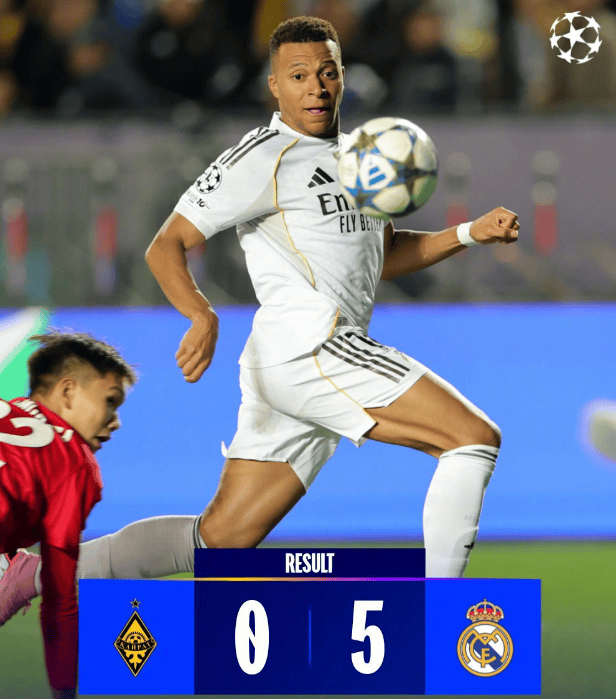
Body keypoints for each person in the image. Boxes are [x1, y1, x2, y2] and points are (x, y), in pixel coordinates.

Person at [2, 16, 520, 614]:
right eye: (298, 76)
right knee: (471, 439)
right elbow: (166, 244)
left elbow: (379, 257)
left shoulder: (358, 159)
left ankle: (30, 575)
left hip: (296, 365)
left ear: (342, 77)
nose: (315, 87)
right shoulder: (262, 157)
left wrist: (468, 233)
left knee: (220, 538)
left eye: (326, 73)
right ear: (274, 86)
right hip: (313, 346)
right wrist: (201, 315)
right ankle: (443, 616)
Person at [0, 331, 136, 699]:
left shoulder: (8, 408)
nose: (116, 421)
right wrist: (64, 691)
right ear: (68, 392)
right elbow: (59, 600)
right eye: (110, 401)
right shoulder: (74, 464)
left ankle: (9, 568)